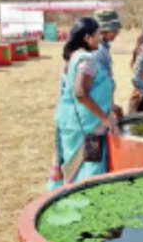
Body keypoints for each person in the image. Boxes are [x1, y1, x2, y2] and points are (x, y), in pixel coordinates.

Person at [48, 17, 120, 191]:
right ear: (88, 37)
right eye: (97, 35)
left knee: (74, 167)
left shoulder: (72, 57)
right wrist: (105, 118)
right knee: (90, 170)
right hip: (87, 126)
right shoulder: (86, 59)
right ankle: (85, 198)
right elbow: (81, 93)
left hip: (71, 122)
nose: (99, 39)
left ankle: (71, 193)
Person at [93, 10, 123, 119]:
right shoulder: (98, 51)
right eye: (114, 30)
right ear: (104, 30)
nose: (117, 33)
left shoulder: (104, 48)